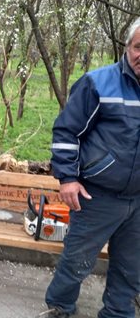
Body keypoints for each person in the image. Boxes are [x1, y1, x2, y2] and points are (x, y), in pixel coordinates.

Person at [43, 17, 140, 318]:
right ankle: (60, 307)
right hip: (96, 196)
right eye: (139, 47)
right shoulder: (98, 83)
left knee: (132, 266)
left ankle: (118, 312)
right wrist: (68, 178)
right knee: (77, 260)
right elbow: (66, 131)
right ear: (127, 48)